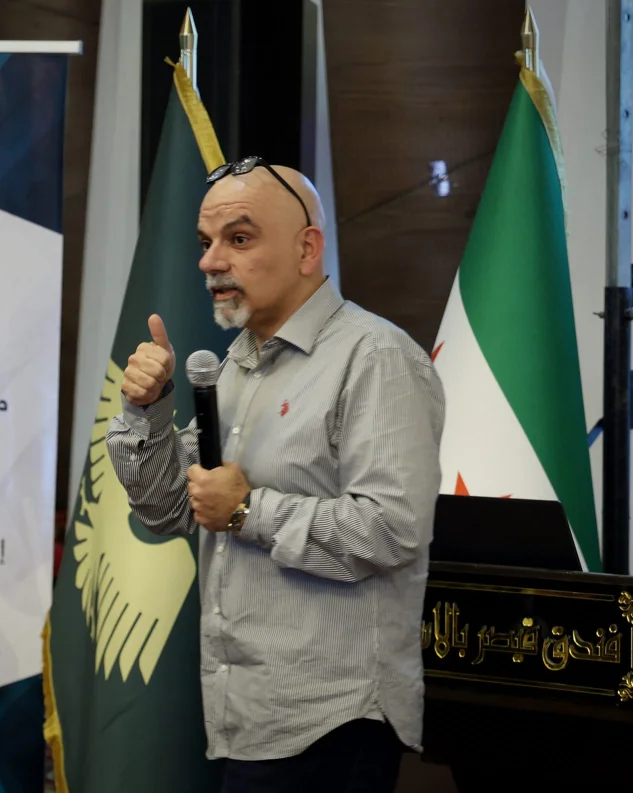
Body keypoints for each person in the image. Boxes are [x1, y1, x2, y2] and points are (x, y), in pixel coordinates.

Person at [107, 156, 445, 793]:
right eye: (206, 242)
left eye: (239, 238)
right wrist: (147, 411)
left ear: (307, 248)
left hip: (332, 720)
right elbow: (168, 510)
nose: (211, 262)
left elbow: (393, 530)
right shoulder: (235, 365)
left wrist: (248, 510)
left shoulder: (376, 357)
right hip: (246, 713)